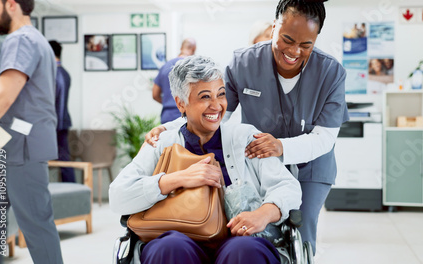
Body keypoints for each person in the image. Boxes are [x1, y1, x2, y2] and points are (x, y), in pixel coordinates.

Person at [145, 0, 348, 255]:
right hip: (258, 163)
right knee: (252, 229)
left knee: (301, 231)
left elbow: (325, 136)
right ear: (274, 27)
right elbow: (218, 111)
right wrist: (169, 127)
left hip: (311, 167)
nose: (294, 51)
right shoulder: (244, 62)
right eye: (287, 39)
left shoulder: (331, 72)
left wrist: (281, 146)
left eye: (306, 44)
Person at [110, 55, 301, 264]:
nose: (217, 105)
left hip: (239, 239)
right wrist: (176, 179)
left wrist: (264, 213)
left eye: (220, 94)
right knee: (169, 247)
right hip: (181, 240)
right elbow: (118, 195)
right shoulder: (161, 144)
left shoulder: (245, 138)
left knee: (243, 249)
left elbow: (287, 186)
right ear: (180, 103)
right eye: (204, 97)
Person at [0, 0, 64, 263]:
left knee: (35, 223)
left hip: (20, 148)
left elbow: (3, 98)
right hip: (8, 147)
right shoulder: (34, 40)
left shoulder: (20, 40)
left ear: (11, 4)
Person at [152, 38, 196, 124]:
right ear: (193, 49)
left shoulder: (165, 66)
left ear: (181, 48)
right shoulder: (193, 67)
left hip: (167, 117)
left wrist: (168, 102)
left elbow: (155, 94)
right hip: (186, 117)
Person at [49, 40, 75, 183]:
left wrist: (53, 125)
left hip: (56, 124)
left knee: (63, 160)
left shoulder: (54, 74)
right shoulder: (64, 73)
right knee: (64, 159)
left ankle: (71, 191)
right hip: (62, 122)